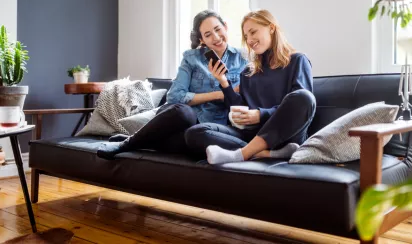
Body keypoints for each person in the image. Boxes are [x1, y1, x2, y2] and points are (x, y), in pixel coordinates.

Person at [96, 10, 248, 160]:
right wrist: (220, 94)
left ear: (225, 27)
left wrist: (224, 85)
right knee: (184, 113)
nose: (216, 37)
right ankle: (126, 144)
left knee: (192, 139)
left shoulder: (244, 59)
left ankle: (140, 139)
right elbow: (175, 96)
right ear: (201, 40)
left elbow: (238, 102)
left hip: (209, 127)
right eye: (208, 35)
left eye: (218, 29)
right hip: (178, 120)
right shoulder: (191, 58)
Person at [184, 10, 316, 164]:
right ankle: (265, 153)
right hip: (251, 133)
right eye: (246, 36)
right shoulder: (248, 71)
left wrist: (260, 115)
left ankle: (243, 153)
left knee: (304, 97)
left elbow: (300, 107)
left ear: (271, 28)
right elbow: (240, 109)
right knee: (195, 133)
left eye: (253, 32)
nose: (250, 40)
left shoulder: (298, 61)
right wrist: (223, 82)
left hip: (285, 136)